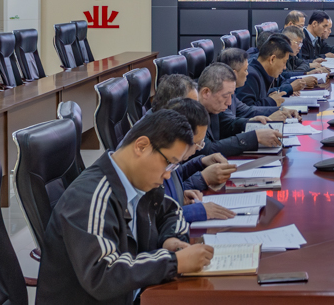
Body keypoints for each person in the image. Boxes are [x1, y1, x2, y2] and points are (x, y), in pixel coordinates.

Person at [37, 110, 214, 304]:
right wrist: (174, 262)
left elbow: (172, 210)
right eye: (169, 163)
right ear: (141, 146)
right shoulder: (90, 197)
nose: (167, 175)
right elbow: (103, 273)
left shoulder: (140, 183)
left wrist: (171, 239)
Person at [149, 75, 237, 219]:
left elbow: (172, 182)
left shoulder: (163, 136)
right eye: (191, 106)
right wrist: (201, 180)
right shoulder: (151, 148)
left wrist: (199, 163)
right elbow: (154, 218)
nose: (196, 111)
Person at [197, 63, 283, 155]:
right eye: (225, 96)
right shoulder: (190, 109)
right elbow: (207, 150)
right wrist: (254, 138)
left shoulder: (212, 106)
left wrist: (250, 123)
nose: (229, 102)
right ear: (206, 92)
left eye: (231, 95)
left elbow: (227, 124)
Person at [217, 48, 296, 120]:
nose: (247, 73)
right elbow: (230, 123)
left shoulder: (232, 94)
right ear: (233, 74)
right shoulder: (220, 96)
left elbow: (246, 110)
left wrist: (280, 110)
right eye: (245, 70)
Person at [239, 35, 295, 108]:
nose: (285, 67)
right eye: (284, 62)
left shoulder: (262, 73)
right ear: (272, 59)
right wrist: (271, 101)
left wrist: (268, 97)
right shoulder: (250, 76)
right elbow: (246, 110)